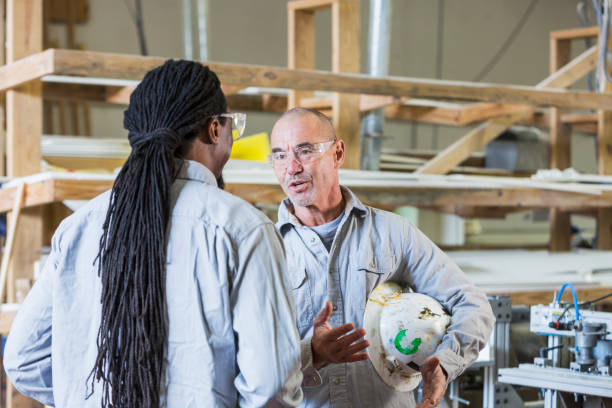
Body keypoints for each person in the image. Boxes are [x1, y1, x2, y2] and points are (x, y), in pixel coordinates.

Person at [4, 61, 303, 407]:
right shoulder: (241, 227)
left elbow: (23, 360)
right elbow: (270, 386)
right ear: (215, 130)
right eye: (232, 125)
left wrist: (87, 393)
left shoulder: (78, 227)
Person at [269, 107, 495, 408]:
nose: (291, 167)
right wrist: (313, 353)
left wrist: (443, 364)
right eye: (280, 156)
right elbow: (246, 359)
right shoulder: (265, 248)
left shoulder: (392, 234)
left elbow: (473, 304)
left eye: (304, 151)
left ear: (338, 153)